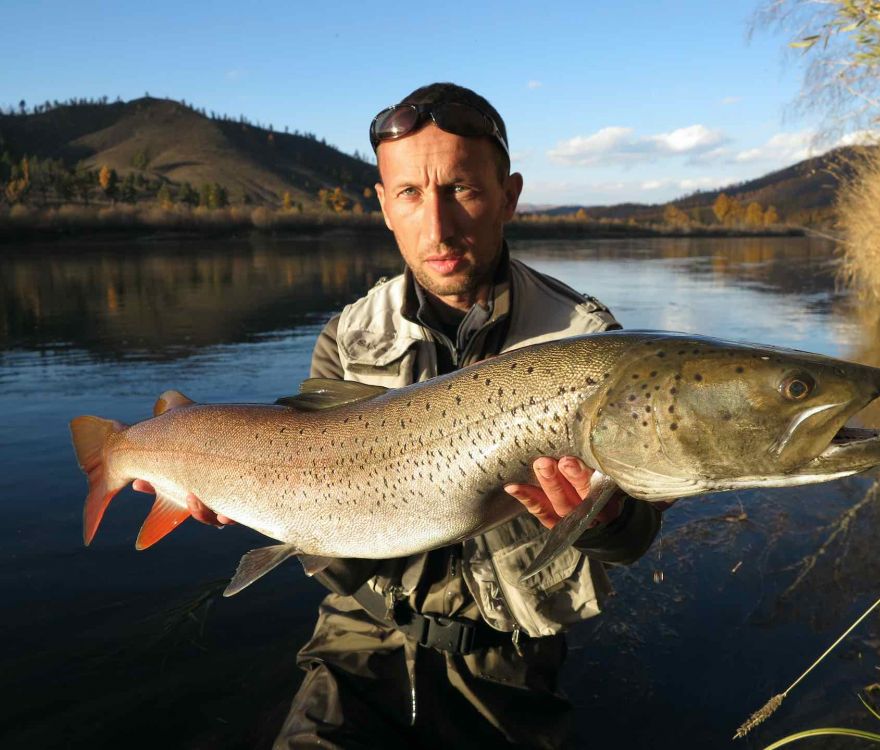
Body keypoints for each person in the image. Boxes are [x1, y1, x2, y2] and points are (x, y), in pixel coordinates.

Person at [147, 83, 662, 749]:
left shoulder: (587, 341)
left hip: (508, 663)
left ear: (509, 196)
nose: (439, 226)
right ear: (386, 207)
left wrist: (605, 517)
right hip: (358, 645)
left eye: (463, 190)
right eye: (412, 195)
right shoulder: (350, 335)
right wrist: (245, 496)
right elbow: (328, 543)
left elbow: (634, 535)